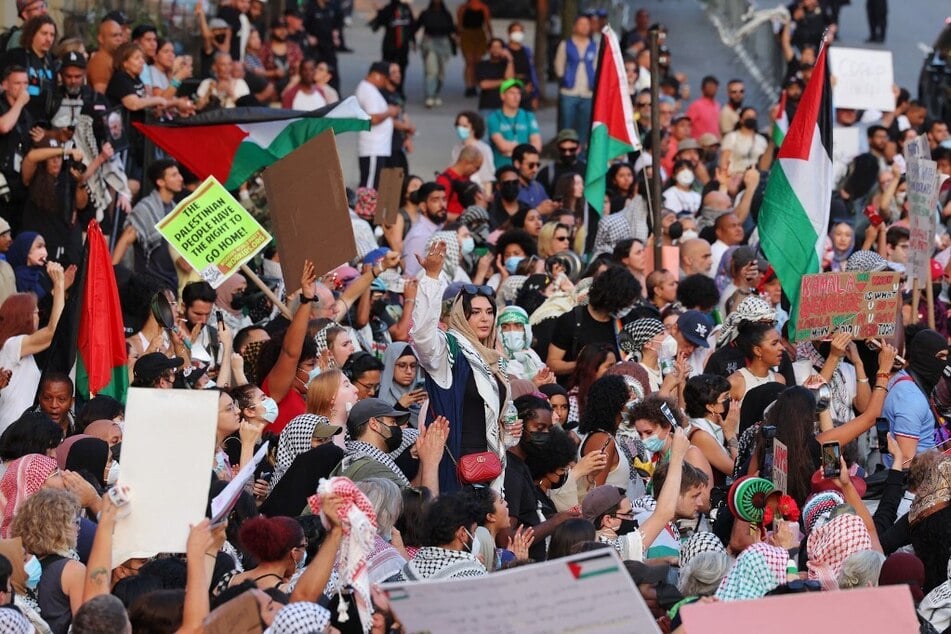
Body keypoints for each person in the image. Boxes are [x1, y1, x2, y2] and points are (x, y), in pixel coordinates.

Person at [412, 243, 518, 493]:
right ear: (461, 315)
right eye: (476, 312)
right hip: (458, 472)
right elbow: (422, 337)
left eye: (490, 312)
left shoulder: (495, 357)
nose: (485, 318)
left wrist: (510, 429)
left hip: (492, 470)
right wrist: (431, 278)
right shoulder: (451, 350)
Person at [504, 395, 577, 560]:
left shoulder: (522, 466)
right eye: (539, 428)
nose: (545, 435)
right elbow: (507, 538)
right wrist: (556, 521)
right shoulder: (511, 471)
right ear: (519, 425)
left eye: (548, 429)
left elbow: (529, 517)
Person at [0, 264, 64, 431]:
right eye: (36, 313)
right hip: (13, 428)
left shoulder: (13, 346)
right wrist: (59, 285)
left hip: (19, 427)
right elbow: (52, 332)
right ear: (24, 318)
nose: (38, 318)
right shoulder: (11, 345)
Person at [546, 266, 640, 379]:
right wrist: (585, 365)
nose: (628, 308)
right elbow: (552, 364)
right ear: (614, 299)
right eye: (626, 304)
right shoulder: (571, 320)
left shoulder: (626, 320)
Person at [111, 159, 183, 290]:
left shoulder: (176, 210)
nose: (180, 178)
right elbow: (126, 240)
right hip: (150, 282)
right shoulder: (145, 208)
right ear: (160, 182)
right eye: (174, 175)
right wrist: (110, 274)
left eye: (179, 174)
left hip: (172, 282)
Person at [397, 492, 487, 580]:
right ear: (462, 533)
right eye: (474, 530)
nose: (475, 536)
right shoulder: (474, 574)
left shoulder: (407, 570)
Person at [228, 516, 304, 592]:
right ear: (294, 552)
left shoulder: (230, 578)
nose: (304, 552)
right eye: (304, 546)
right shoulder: (284, 593)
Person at [356, 62, 401, 188]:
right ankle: (365, 208)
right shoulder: (368, 91)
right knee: (369, 187)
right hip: (373, 148)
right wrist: (389, 112)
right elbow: (373, 119)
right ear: (376, 75)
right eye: (385, 78)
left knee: (374, 185)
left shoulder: (371, 89)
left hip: (378, 147)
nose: (386, 82)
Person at [553, 15, 596, 148]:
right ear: (574, 27)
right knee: (566, 125)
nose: (584, 27)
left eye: (586, 24)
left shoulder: (595, 46)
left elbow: (596, 66)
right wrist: (564, 78)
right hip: (569, 91)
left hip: (587, 93)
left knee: (584, 127)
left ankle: (580, 154)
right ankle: (564, 150)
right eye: (581, 24)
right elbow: (559, 64)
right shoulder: (566, 44)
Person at [486, 79, 541, 168]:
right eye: (512, 93)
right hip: (502, 168)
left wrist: (511, 150)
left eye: (518, 93)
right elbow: (502, 146)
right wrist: (526, 148)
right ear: (502, 96)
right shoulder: (494, 117)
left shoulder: (528, 116)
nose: (516, 97)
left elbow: (537, 146)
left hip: (524, 170)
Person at [414, 0, 456, 108]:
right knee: (432, 70)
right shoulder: (425, 14)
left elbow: (452, 29)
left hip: (443, 43)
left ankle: (436, 94)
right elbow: (416, 27)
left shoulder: (446, 14)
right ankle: (430, 96)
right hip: (429, 42)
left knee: (441, 73)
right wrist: (412, 40)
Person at [379, 341, 428, 426]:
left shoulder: (422, 393)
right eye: (402, 365)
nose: (409, 371)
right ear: (390, 366)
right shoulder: (376, 396)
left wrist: (427, 407)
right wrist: (400, 406)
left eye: (413, 366)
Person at [370, 0, 416, 83]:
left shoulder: (406, 10)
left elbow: (412, 27)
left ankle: (399, 90)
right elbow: (377, 25)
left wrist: (413, 41)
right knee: (388, 69)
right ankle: (388, 88)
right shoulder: (388, 9)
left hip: (403, 46)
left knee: (401, 69)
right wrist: (379, 11)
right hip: (390, 46)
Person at [457, 0, 492, 97]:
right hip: (467, 34)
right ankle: (469, 86)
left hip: (479, 35)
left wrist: (491, 37)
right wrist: (457, 38)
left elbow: (487, 23)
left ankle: (477, 84)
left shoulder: (483, 7)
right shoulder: (463, 8)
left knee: (478, 62)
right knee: (469, 62)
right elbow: (459, 24)